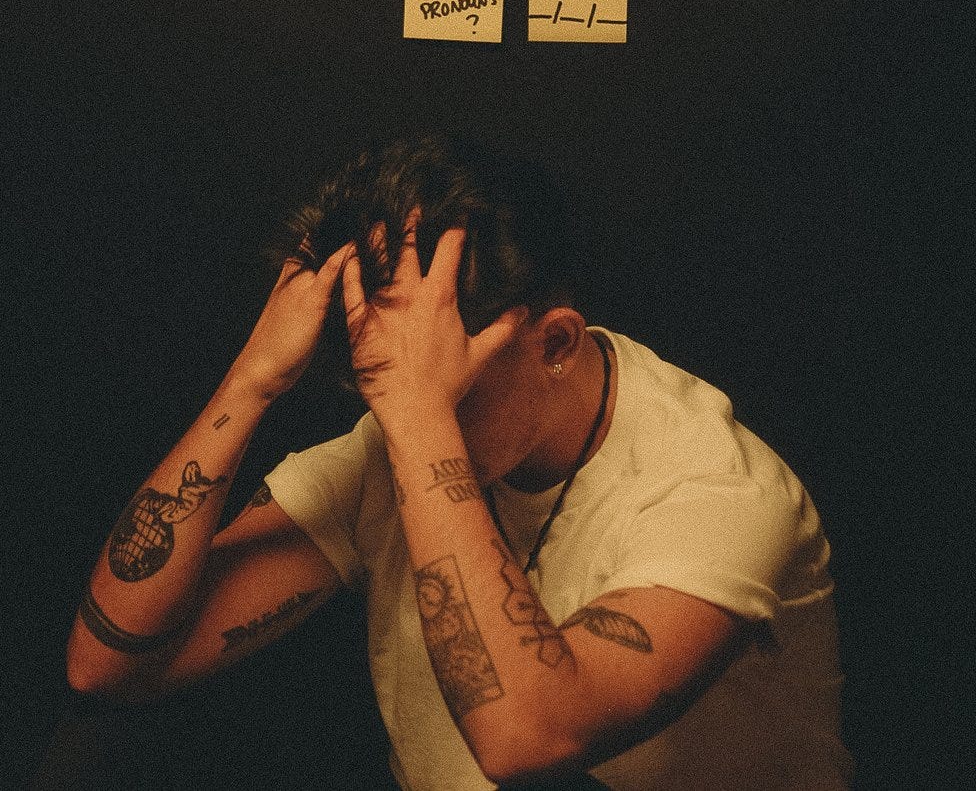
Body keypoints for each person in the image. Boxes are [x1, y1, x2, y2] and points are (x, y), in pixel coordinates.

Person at [67, 136, 853, 789]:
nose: (394, 415)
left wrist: (419, 410)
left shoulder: (718, 489)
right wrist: (253, 379)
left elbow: (528, 738)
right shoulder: (391, 438)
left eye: (444, 387)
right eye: (380, 389)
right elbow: (107, 665)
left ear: (555, 344)